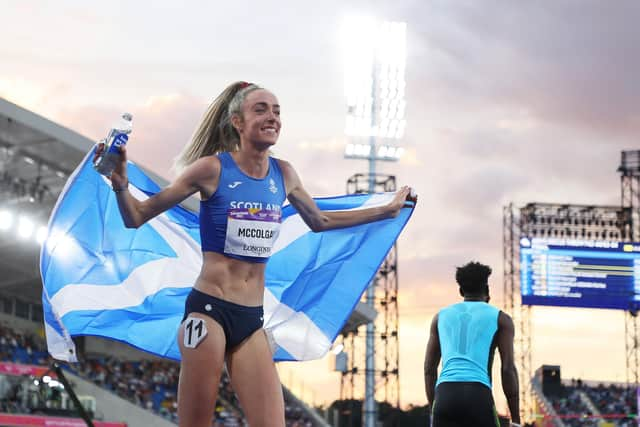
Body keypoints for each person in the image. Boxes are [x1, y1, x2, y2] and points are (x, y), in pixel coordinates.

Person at [95, 81, 412, 427]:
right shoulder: (211, 169)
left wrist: (386, 210)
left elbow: (319, 220)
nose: (272, 117)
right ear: (237, 122)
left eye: (277, 111)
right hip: (208, 312)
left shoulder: (284, 174)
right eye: (260, 109)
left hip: (252, 321)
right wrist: (120, 183)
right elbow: (136, 217)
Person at [423, 261, 520, 427]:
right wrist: (516, 420)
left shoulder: (440, 317)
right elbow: (508, 369)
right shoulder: (501, 318)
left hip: (445, 396)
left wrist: (435, 408)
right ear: (487, 289)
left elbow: (429, 369)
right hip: (478, 394)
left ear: (461, 291)